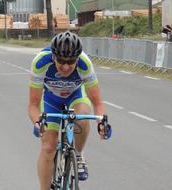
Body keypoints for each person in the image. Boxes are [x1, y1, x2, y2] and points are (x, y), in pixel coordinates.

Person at [28, 31, 110, 190]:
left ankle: (78, 155)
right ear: (53, 56)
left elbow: (97, 102)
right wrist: (38, 122)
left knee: (83, 116)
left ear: (77, 58)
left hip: (75, 97)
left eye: (71, 61)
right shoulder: (40, 62)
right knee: (48, 146)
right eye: (61, 61)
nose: (66, 66)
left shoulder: (84, 64)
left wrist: (102, 123)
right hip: (51, 99)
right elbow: (33, 104)